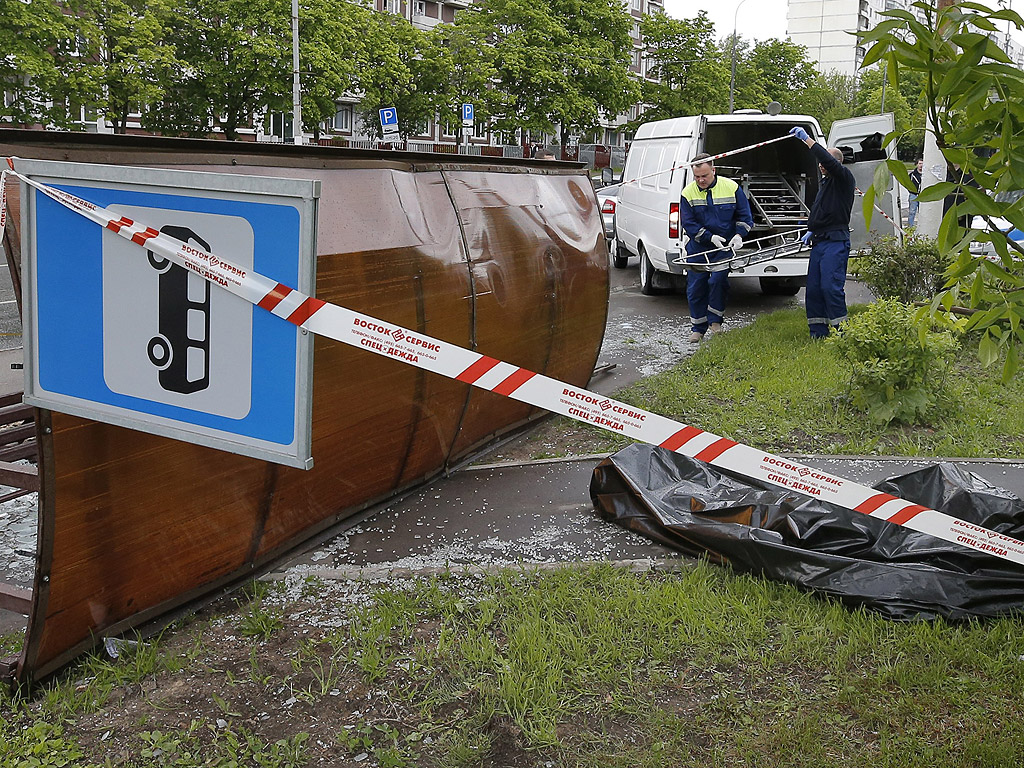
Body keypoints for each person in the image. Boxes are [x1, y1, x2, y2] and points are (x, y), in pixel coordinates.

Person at [788, 126, 856, 339]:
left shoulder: (844, 178)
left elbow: (827, 160)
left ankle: (842, 334)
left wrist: (807, 139)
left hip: (836, 243)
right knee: (815, 290)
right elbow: (821, 211)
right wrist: (811, 229)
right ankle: (818, 333)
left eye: (825, 162)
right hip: (820, 242)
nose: (821, 166)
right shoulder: (826, 184)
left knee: (831, 288)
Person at [678, 153, 753, 343]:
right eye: (697, 177)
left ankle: (715, 321)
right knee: (696, 288)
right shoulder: (688, 193)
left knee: (718, 282)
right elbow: (688, 223)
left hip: (724, 248)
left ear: (714, 170)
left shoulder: (731, 187)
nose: (701, 180)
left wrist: (738, 235)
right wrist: (710, 238)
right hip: (698, 248)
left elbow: (745, 217)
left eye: (704, 176)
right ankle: (698, 328)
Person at [908, 158, 923, 228]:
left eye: (922, 163)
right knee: (912, 212)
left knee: (922, 212)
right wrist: (911, 191)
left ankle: (922, 226)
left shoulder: (927, 175)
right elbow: (907, 183)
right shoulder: (912, 175)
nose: (921, 165)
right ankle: (910, 226)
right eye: (920, 163)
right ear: (917, 164)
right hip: (914, 195)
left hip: (923, 196)